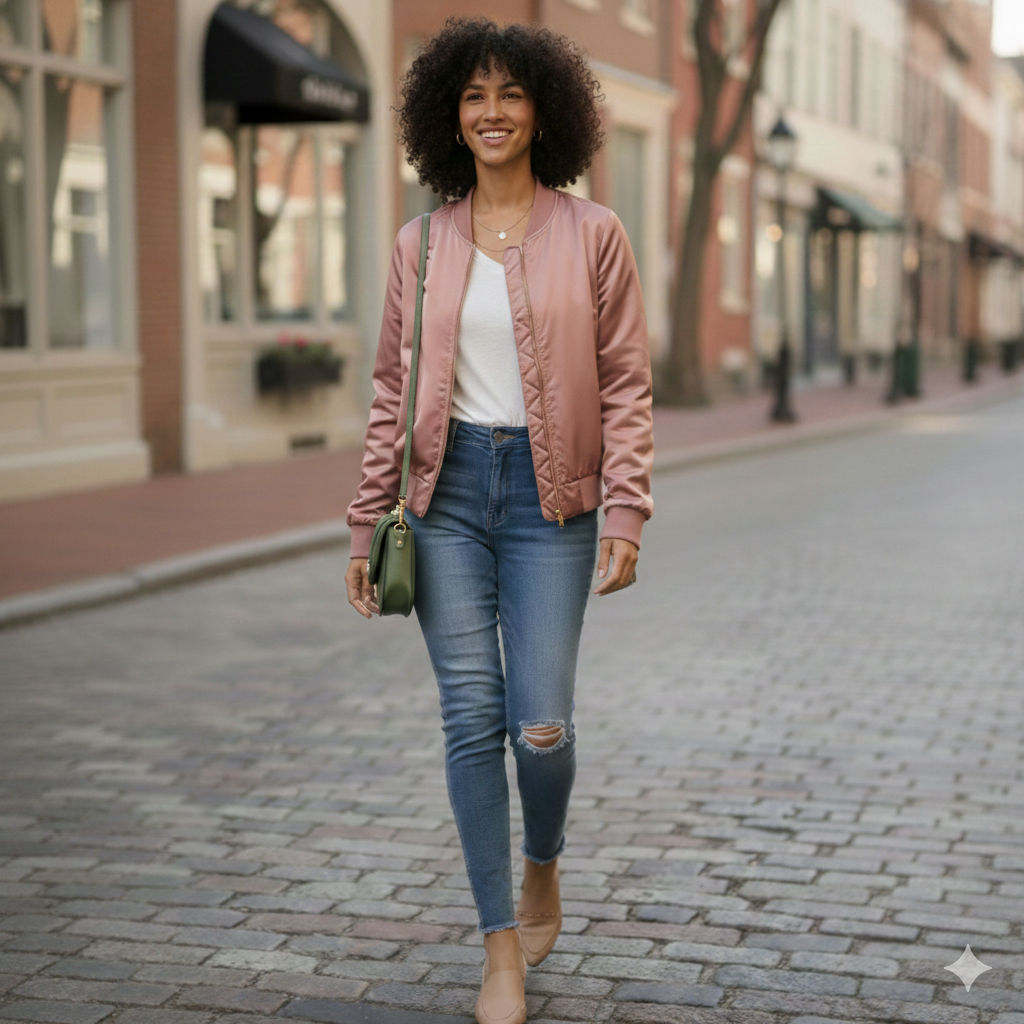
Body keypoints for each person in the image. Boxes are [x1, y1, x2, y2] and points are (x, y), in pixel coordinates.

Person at [344, 17, 653, 1024]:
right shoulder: (419, 245)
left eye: (510, 94)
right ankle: (498, 948)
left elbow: (625, 386)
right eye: (473, 96)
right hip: (443, 502)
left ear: (543, 110)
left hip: (550, 501)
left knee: (541, 725)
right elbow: (391, 392)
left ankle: (543, 863)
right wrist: (362, 527)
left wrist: (628, 511)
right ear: (449, 115)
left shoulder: (594, 234)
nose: (490, 112)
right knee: (470, 718)